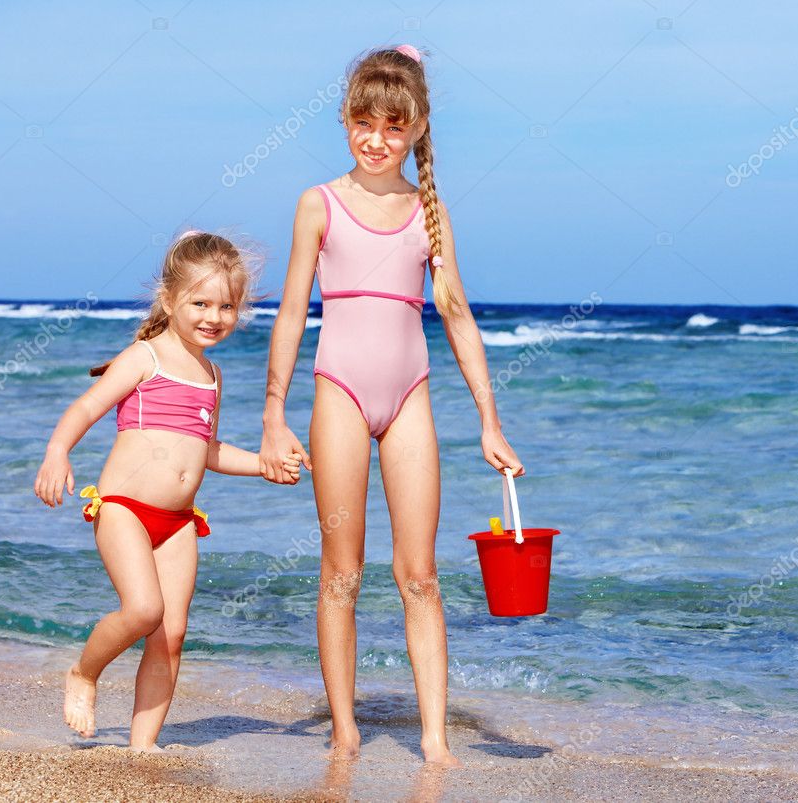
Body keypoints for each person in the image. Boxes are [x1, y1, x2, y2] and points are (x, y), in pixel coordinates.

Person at [259, 44, 525, 765]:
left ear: (416, 129)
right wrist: (273, 414)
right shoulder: (318, 203)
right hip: (338, 392)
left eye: (393, 126)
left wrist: (489, 422)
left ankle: (435, 739)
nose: (376, 139)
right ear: (345, 121)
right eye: (362, 122)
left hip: (409, 397)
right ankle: (345, 731)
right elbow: (288, 315)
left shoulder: (428, 212)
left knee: (419, 575)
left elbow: (459, 316)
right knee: (340, 570)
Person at [34, 231, 302, 751]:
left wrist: (266, 465)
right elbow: (86, 408)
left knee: (170, 636)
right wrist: (56, 452)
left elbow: (209, 450)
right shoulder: (144, 356)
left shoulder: (211, 374)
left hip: (179, 522)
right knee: (142, 611)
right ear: (169, 300)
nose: (213, 316)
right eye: (200, 302)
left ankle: (142, 747)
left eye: (226, 305)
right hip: (125, 509)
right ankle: (84, 673)